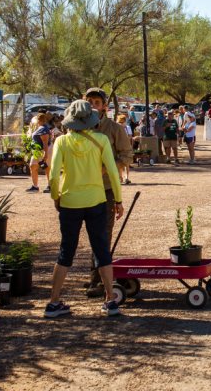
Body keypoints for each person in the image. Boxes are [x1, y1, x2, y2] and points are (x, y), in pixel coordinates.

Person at [45, 100, 124, 318]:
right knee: (101, 251)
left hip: (70, 202)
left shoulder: (61, 142)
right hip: (96, 201)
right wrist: (118, 200)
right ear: (91, 119)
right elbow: (113, 172)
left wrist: (55, 196)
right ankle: (110, 301)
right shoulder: (101, 140)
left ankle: (53, 303)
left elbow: (53, 175)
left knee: (65, 251)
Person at [83, 88, 132, 296]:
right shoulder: (77, 128)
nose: (94, 105)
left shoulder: (114, 128)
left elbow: (127, 156)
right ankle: (94, 275)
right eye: (90, 102)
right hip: (83, 189)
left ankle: (99, 280)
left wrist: (107, 168)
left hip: (107, 188)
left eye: (97, 102)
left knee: (104, 233)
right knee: (90, 233)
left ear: (104, 106)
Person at [26, 113, 52, 193]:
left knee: (47, 168)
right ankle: (35, 186)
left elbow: (45, 142)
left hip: (45, 150)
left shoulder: (44, 128)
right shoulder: (40, 127)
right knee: (32, 166)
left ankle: (50, 186)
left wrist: (45, 154)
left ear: (38, 120)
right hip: (38, 151)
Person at [116, 114, 132, 184]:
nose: (121, 123)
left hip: (126, 147)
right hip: (118, 147)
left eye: (122, 122)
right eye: (119, 122)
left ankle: (127, 178)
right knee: (119, 162)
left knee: (127, 163)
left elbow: (130, 137)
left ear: (125, 122)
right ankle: (120, 177)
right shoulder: (116, 128)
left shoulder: (127, 128)